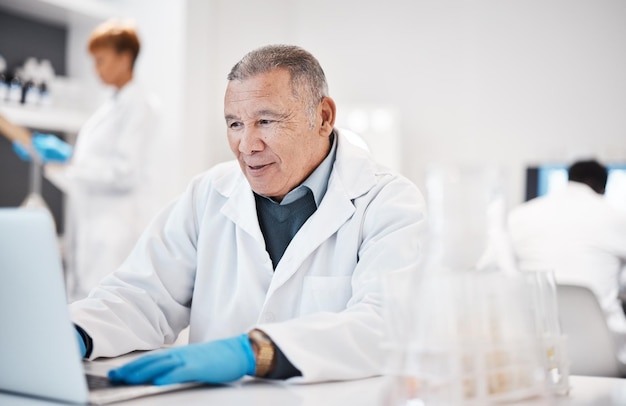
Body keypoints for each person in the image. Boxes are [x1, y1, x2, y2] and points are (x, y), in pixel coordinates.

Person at [68, 44, 426, 385]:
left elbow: (384, 325)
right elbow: (142, 295)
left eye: (266, 121)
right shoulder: (208, 193)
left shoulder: (388, 203)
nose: (247, 145)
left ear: (323, 117)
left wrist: (256, 352)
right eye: (235, 124)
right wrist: (75, 330)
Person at [12, 19, 163, 301]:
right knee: (86, 308)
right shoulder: (111, 105)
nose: (96, 69)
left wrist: (69, 160)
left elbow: (123, 174)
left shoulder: (140, 105)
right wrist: (49, 161)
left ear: (125, 57)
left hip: (115, 231)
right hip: (93, 227)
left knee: (108, 312)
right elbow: (87, 174)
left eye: (101, 60)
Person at [508, 159, 626, 369]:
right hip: (606, 353)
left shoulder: (520, 215)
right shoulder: (617, 216)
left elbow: (505, 275)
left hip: (534, 351)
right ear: (601, 187)